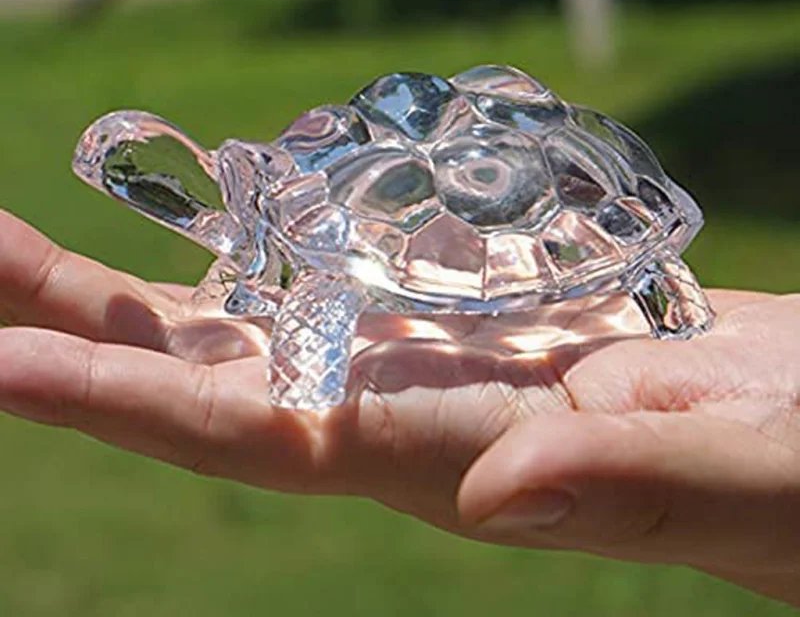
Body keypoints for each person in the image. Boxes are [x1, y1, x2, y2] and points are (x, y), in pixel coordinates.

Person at [0, 208, 797, 606]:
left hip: (513, 221)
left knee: (321, 287)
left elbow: (320, 281)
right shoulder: (270, 231)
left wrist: (305, 380)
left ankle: (666, 296)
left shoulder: (317, 251)